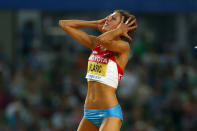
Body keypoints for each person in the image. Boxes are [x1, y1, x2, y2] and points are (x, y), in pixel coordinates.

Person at [59, 10, 138, 131]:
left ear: (122, 26)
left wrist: (117, 31)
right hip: (89, 114)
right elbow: (64, 24)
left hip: (109, 113)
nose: (107, 19)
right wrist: (94, 24)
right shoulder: (96, 44)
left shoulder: (123, 47)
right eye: (108, 17)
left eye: (113, 18)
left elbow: (103, 41)